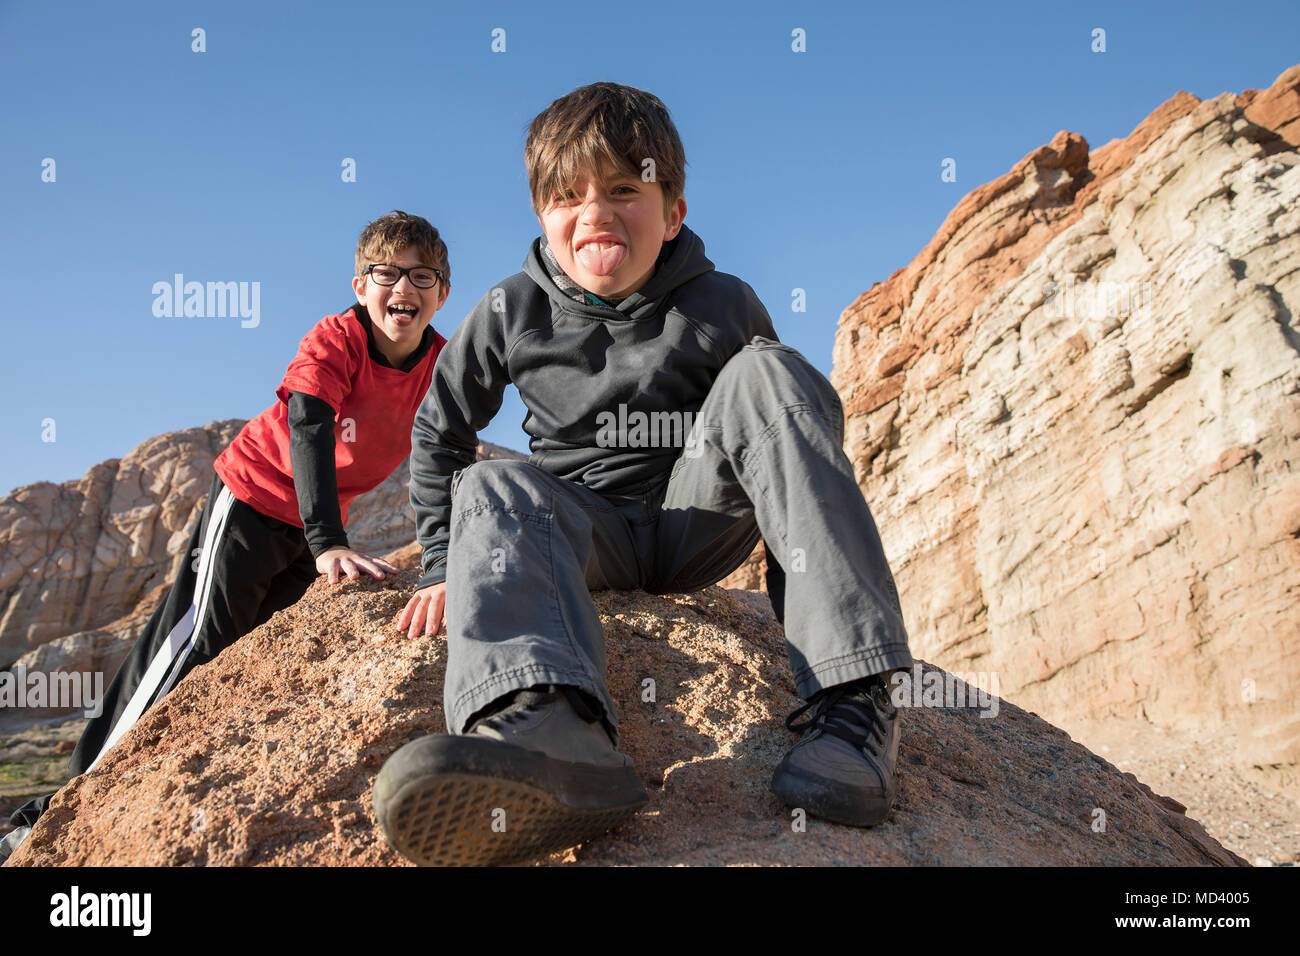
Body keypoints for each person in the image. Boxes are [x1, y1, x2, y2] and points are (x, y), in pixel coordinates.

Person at [371, 83, 913, 867]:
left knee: (771, 373)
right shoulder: (508, 309)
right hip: (585, 533)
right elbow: (441, 430)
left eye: (625, 189)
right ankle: (550, 732)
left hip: (697, 521)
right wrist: (437, 563)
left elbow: (779, 437)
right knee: (490, 485)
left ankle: (852, 704)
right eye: (568, 195)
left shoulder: (723, 302)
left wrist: (788, 581)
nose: (594, 213)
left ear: (674, 210)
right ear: (542, 217)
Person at [2, 210, 450, 863]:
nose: (402, 288)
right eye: (386, 274)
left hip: (308, 529)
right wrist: (328, 541)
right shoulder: (336, 339)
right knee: (192, 649)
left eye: (421, 276)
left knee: (237, 661)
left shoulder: (441, 364)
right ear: (360, 286)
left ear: (442, 293)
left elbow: (450, 449)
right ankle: (42, 819)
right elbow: (309, 428)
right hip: (252, 501)